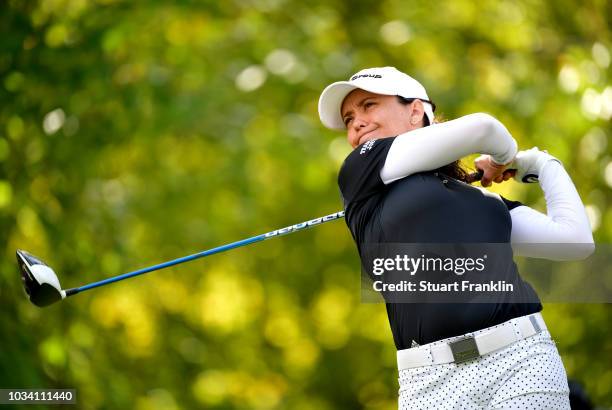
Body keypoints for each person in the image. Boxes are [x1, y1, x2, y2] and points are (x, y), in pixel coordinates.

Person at [317, 66, 595, 409]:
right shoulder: (360, 171)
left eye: (369, 105)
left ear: (415, 110)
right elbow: (485, 129)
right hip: (430, 383)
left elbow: (575, 241)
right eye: (348, 118)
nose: (356, 122)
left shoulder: (485, 201)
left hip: (522, 360)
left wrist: (539, 162)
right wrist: (503, 159)